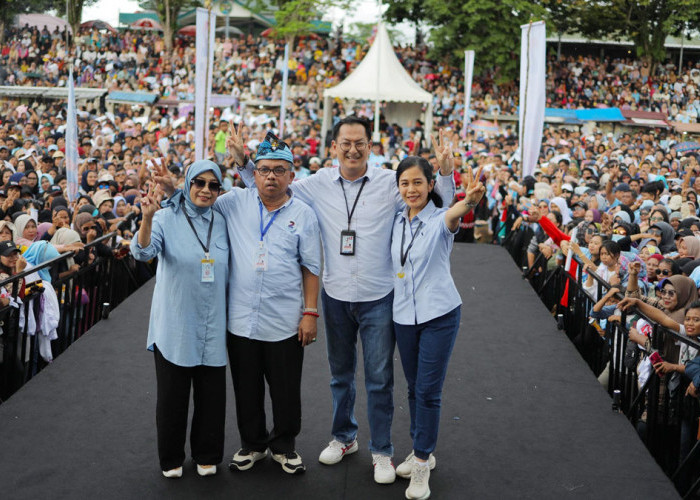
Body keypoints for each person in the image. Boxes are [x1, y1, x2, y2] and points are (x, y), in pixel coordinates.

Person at [230, 117, 455, 484]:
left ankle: (382, 451)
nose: (352, 149)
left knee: (380, 379)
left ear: (371, 144)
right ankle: (344, 437)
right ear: (333, 146)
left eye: (360, 143)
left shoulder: (389, 182)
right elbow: (272, 187)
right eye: (345, 143)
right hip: (335, 295)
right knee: (340, 375)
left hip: (379, 297)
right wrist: (244, 165)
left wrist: (444, 174)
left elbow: (431, 201)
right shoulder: (315, 184)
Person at [154, 134, 321, 475]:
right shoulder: (234, 202)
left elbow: (311, 267)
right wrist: (174, 190)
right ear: (253, 174)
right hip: (240, 319)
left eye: (279, 170)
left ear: (292, 175)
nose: (270, 177)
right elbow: (199, 197)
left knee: (286, 390)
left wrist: (310, 313)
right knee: (246, 390)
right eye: (263, 170)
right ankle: (254, 444)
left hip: (284, 319)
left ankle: (284, 446)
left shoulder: (304, 214)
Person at [390, 155, 485, 499]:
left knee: (428, 392)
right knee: (414, 389)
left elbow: (450, 211)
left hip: (439, 316)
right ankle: (422, 449)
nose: (411, 189)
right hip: (403, 316)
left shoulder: (439, 219)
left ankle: (420, 462)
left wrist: (466, 201)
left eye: (418, 182)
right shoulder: (396, 220)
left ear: (430, 186)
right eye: (405, 183)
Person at [131, 160, 229, 478]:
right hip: (175, 323)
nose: (205, 190)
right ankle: (171, 457)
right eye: (198, 182)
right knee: (172, 397)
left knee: (211, 396)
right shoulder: (165, 217)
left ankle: (207, 453)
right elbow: (143, 253)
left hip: (214, 321)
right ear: (187, 183)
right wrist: (146, 219)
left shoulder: (225, 218)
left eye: (213, 185)